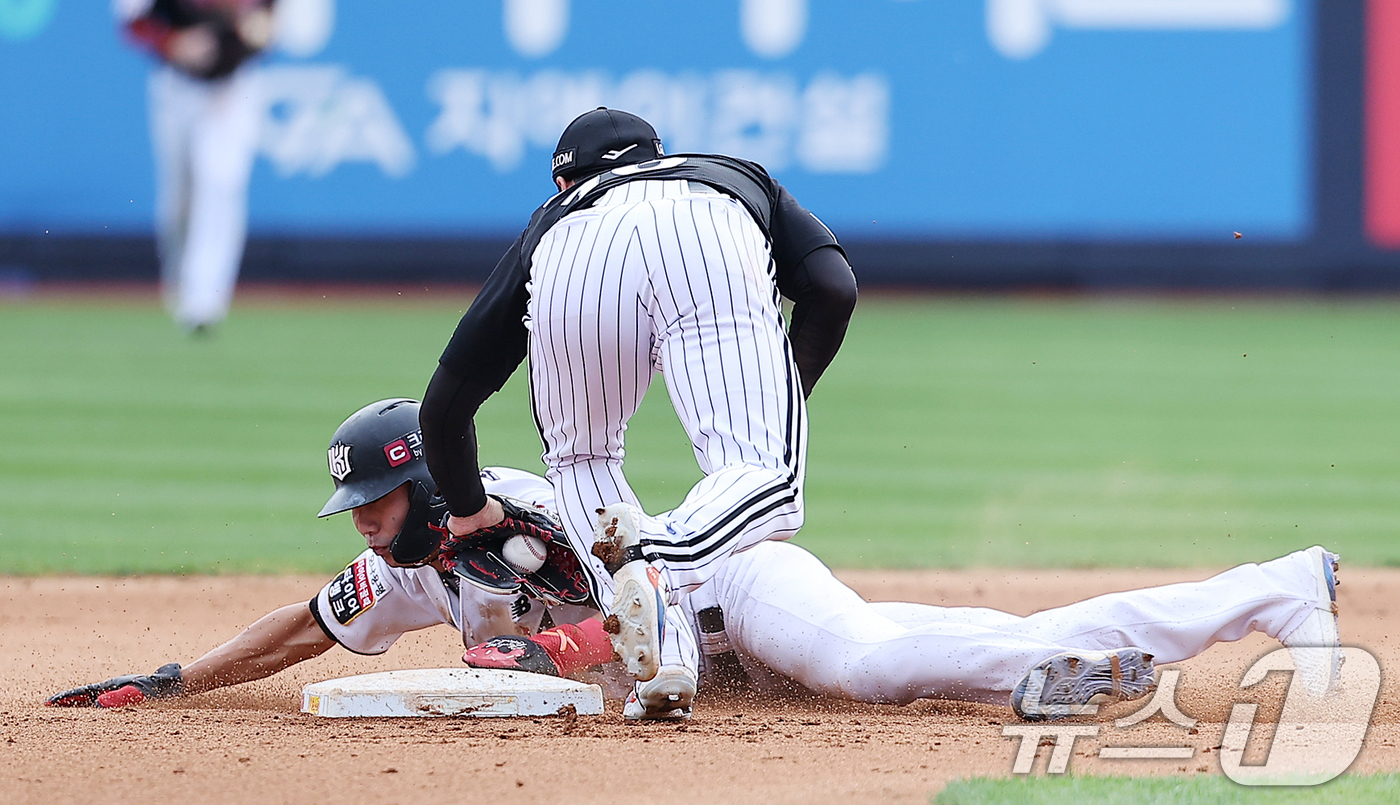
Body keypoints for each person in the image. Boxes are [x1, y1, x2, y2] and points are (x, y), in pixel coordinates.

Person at [46, 400, 1344, 722]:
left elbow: (634, 618)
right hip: (699, 650)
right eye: (364, 513)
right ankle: (1265, 591)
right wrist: (172, 680)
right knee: (905, 646)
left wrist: (548, 656)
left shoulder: (519, 516)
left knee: (871, 662)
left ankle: (1142, 639)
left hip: (732, 587)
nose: (367, 528)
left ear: (423, 483)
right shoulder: (414, 560)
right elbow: (300, 625)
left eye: (379, 503)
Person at [418, 108, 861, 704]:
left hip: (577, 261)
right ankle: (658, 554)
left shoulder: (554, 216)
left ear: (563, 182)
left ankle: (665, 665)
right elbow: (834, 285)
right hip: (706, 236)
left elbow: (445, 403)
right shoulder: (728, 173)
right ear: (659, 155)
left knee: (580, 462)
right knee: (765, 478)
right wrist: (778, 397)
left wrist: (469, 507)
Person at [114, 0, 278, 334]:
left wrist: (255, 34)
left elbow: (269, 22)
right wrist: (172, 41)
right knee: (178, 203)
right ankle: (180, 284)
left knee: (220, 185)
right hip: (176, 87)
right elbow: (132, 25)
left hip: (233, 87)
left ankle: (205, 300)